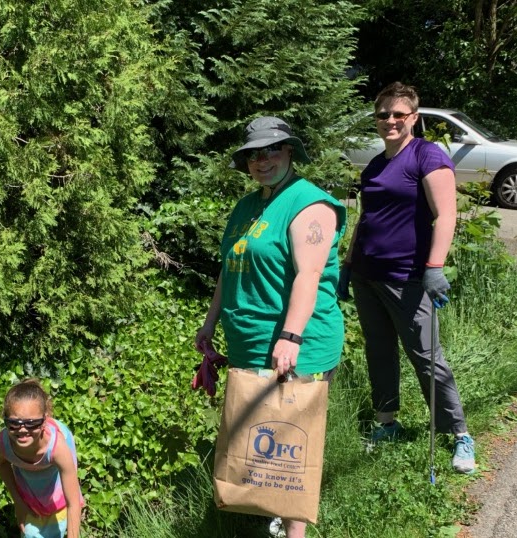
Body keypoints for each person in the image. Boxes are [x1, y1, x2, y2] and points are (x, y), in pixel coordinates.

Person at [195, 116, 347, 538]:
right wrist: (210, 323)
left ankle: (294, 529)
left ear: (289, 152)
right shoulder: (247, 206)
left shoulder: (310, 204)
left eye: (271, 150)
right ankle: (272, 512)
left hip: (298, 344)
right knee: (263, 431)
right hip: (249, 342)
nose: (262, 161)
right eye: (253, 155)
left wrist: (290, 336)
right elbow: (229, 268)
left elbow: (309, 275)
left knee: (291, 440)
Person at [337, 81, 476, 474]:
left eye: (399, 114)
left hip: (408, 277)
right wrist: (348, 266)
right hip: (368, 276)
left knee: (427, 359)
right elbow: (366, 219)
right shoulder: (376, 165)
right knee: (379, 352)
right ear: (376, 120)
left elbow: (446, 215)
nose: (391, 121)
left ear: (414, 117)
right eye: (384, 114)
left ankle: (459, 434)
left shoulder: (426, 156)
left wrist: (434, 268)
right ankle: (387, 423)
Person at [0, 379, 83, 538]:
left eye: (32, 423)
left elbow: (73, 503)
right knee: (31, 533)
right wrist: (18, 502)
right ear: (5, 419)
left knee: (60, 515)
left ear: (45, 420)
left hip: (55, 468)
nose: (22, 430)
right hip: (28, 480)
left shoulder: (59, 448)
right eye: (14, 423)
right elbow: (2, 465)